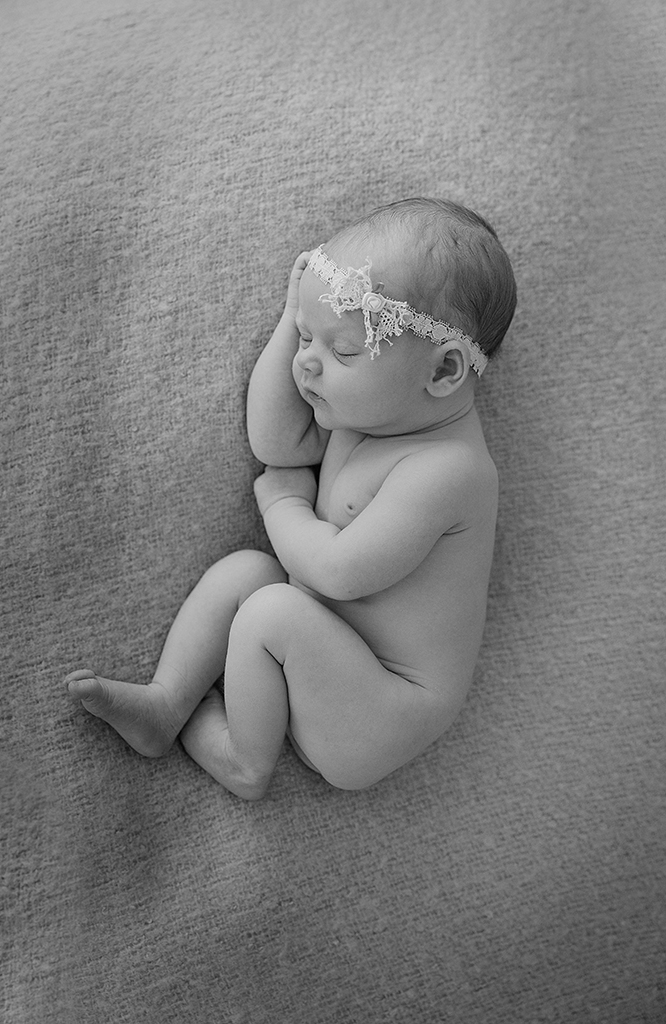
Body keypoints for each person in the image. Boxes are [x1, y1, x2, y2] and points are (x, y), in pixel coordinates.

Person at [65, 196, 517, 800]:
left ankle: (245, 764)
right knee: (246, 573)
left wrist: (282, 507)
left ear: (442, 372)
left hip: (382, 709)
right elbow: (274, 443)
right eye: (307, 338)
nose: (307, 364)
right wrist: (289, 321)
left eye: (342, 351)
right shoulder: (373, 411)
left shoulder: (449, 471)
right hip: (325, 661)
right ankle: (166, 704)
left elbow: (338, 571)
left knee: (271, 609)